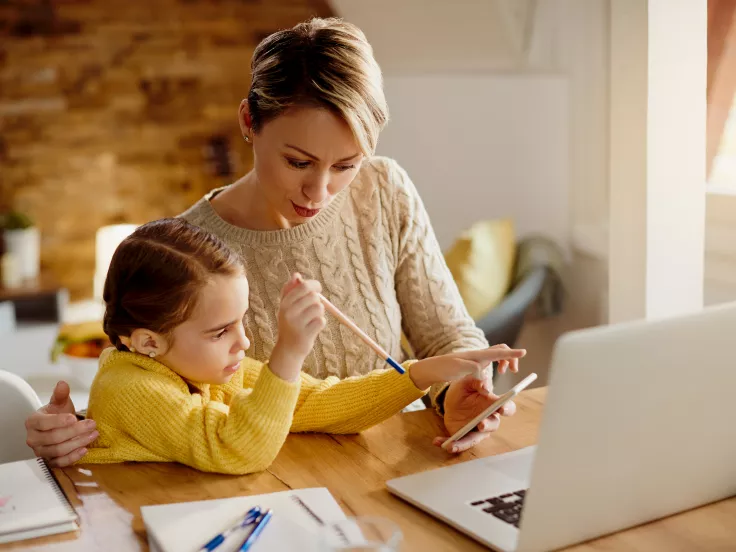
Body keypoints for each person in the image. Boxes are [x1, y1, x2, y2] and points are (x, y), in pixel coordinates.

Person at [25, 17, 522, 467]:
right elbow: (151, 387)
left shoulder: (384, 189)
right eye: (299, 162)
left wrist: (460, 389)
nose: (319, 192)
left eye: (346, 165)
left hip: (390, 466)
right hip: (268, 491)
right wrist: (76, 430)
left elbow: (448, 336)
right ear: (248, 123)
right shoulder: (194, 255)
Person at [80, 219, 524, 474]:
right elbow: (235, 449)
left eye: (240, 322)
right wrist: (287, 355)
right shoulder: (129, 387)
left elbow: (316, 403)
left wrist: (422, 373)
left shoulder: (196, 369)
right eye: (220, 332)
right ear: (147, 342)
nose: (244, 342)